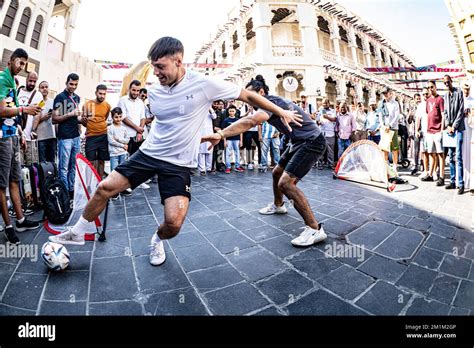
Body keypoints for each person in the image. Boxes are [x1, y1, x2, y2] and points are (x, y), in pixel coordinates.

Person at [49, 37, 301, 267]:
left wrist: (280, 112)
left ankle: (157, 239)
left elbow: (247, 96)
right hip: (149, 154)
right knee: (105, 187)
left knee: (174, 223)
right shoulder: (156, 91)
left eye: (160, 67)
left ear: (178, 61)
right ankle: (79, 231)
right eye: (153, 67)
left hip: (178, 164)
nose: (155, 73)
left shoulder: (204, 85)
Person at [203, 75, 326, 248]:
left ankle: (315, 229)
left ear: (261, 92)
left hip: (312, 141)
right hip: (298, 142)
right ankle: (278, 205)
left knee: (286, 184)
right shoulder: (267, 104)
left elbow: (251, 121)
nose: (248, 100)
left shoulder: (269, 102)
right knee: (276, 172)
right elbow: (249, 118)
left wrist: (221, 134)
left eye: (251, 95)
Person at [0, 48, 42, 244]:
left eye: (24, 64)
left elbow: (11, 112)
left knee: (15, 179)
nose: (22, 67)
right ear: (11, 60)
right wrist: (25, 109)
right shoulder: (2, 79)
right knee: (2, 184)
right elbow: (1, 110)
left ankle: (21, 219)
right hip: (2, 140)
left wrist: (19, 130)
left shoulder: (11, 82)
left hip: (13, 138)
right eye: (20, 63)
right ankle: (9, 226)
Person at [52, 73, 82, 198]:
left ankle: (71, 190)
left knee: (73, 166)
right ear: (66, 83)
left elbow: (76, 117)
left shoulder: (77, 98)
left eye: (75, 84)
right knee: (63, 167)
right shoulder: (60, 97)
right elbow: (54, 119)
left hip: (76, 136)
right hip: (65, 137)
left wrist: (82, 120)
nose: (73, 87)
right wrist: (70, 114)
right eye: (71, 84)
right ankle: (64, 193)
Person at [117, 80, 149, 189]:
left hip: (137, 135)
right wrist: (138, 129)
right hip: (126, 135)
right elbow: (124, 118)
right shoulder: (123, 100)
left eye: (137, 90)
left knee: (137, 159)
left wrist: (139, 132)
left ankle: (137, 181)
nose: (135, 92)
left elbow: (143, 117)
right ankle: (124, 184)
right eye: (134, 90)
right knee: (125, 160)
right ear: (129, 89)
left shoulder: (140, 102)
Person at [82, 84, 111, 178]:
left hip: (103, 135)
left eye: (104, 94)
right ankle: (91, 183)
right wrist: (89, 125)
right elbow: (84, 121)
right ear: (96, 93)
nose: (102, 96)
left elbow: (105, 118)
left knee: (101, 160)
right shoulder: (87, 105)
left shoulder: (107, 105)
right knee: (91, 161)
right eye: (100, 93)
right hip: (91, 136)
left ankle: (100, 182)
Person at [443, 75, 465, 194]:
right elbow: (445, 112)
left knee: (458, 156)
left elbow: (461, 111)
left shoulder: (459, 92)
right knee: (450, 156)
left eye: (448, 82)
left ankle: (460, 184)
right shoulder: (445, 95)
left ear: (451, 81)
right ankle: (452, 181)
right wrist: (447, 126)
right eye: (445, 83)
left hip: (458, 128)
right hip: (449, 130)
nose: (446, 84)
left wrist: (454, 126)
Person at [422, 80, 445, 186]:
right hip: (429, 131)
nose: (430, 89)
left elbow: (443, 115)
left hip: (438, 130)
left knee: (440, 154)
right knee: (431, 153)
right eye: (429, 87)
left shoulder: (440, 99)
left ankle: (442, 176)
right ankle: (430, 175)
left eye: (432, 87)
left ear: (435, 87)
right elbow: (428, 114)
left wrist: (442, 130)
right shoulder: (428, 100)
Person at [107, 107, 129, 200]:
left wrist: (119, 139)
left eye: (120, 117)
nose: (118, 119)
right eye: (116, 117)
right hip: (114, 154)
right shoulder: (109, 128)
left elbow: (127, 139)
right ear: (112, 117)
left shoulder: (124, 128)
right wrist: (122, 145)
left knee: (123, 172)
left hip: (123, 153)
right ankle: (114, 192)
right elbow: (111, 141)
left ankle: (122, 189)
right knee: (114, 172)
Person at [32, 81, 56, 163]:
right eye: (42, 87)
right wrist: (43, 118)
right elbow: (33, 121)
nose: (44, 89)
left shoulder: (53, 102)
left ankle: (52, 176)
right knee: (42, 163)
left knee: (52, 162)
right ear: (39, 89)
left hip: (52, 137)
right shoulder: (38, 103)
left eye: (46, 87)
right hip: (41, 137)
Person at [222, 105, 244, 173]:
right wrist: (225, 141)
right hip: (229, 139)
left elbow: (240, 131)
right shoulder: (226, 120)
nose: (231, 112)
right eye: (230, 111)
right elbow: (224, 131)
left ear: (235, 111)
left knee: (237, 153)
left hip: (236, 139)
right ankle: (228, 167)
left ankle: (237, 166)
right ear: (228, 112)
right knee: (228, 153)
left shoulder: (238, 120)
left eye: (233, 111)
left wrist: (241, 141)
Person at [413, 89, 430, 177]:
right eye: (424, 94)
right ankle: (424, 169)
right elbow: (417, 119)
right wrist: (416, 130)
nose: (425, 96)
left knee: (432, 152)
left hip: (433, 131)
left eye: (427, 94)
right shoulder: (420, 106)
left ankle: (432, 171)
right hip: (422, 131)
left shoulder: (433, 102)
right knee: (422, 151)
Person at [316, 98, 337, 169]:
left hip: (330, 133)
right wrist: (319, 122)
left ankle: (330, 164)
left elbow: (334, 119)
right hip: (321, 132)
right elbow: (317, 120)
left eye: (325, 103)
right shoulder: (320, 111)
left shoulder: (333, 111)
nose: (324, 105)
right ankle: (320, 164)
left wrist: (327, 117)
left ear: (329, 103)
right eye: (323, 103)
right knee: (320, 149)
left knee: (330, 150)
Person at [462, 82, 474, 195]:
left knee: (471, 156)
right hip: (462, 129)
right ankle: (463, 181)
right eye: (465, 89)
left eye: (468, 89)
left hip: (471, 129)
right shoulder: (460, 100)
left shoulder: (472, 100)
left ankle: (471, 182)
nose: (466, 91)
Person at [242, 104, 261, 170]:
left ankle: (260, 162)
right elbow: (241, 118)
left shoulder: (257, 110)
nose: (250, 105)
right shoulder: (243, 109)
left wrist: (260, 134)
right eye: (249, 104)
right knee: (248, 146)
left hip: (256, 131)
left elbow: (259, 123)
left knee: (260, 146)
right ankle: (249, 162)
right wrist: (248, 112)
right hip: (248, 131)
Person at [198, 108, 216, 175]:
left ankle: (209, 168)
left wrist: (210, 108)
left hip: (209, 133)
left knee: (209, 150)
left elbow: (214, 116)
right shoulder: (199, 111)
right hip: (200, 133)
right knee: (201, 152)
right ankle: (202, 169)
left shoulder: (210, 111)